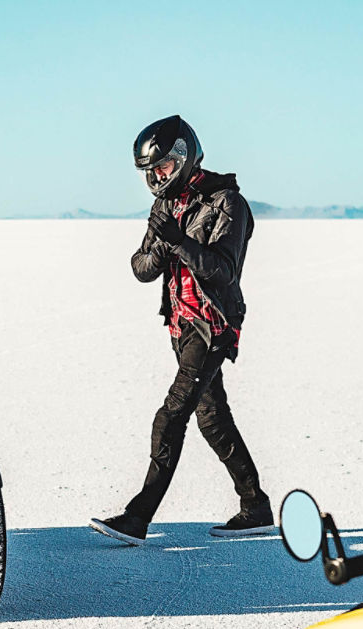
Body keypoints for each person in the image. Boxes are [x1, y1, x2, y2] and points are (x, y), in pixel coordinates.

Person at [91, 115, 270, 546]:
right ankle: (256, 506)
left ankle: (138, 516)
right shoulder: (165, 205)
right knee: (212, 418)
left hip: (213, 325)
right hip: (179, 323)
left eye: (163, 168)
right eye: (149, 173)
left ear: (184, 157)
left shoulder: (226, 202)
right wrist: (162, 241)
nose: (156, 179)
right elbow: (140, 268)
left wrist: (179, 242)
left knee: (170, 417)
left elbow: (224, 271)